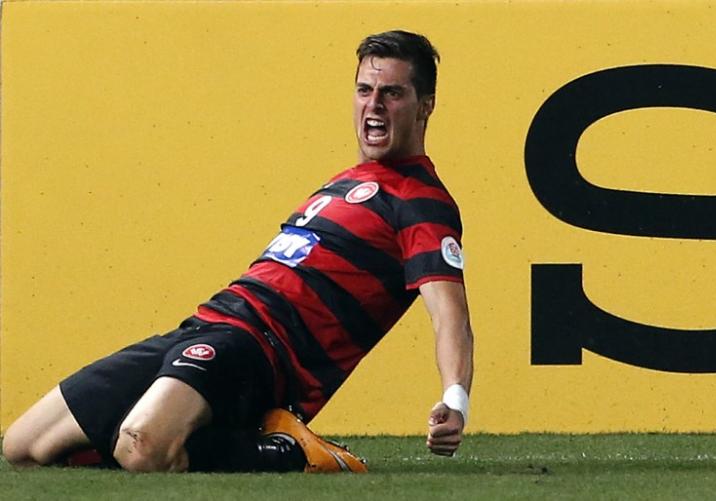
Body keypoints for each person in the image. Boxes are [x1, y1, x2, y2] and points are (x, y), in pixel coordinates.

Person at [2, 30, 474, 473]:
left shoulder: (421, 203)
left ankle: (291, 450)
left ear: (425, 106)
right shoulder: (342, 184)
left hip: (263, 351)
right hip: (207, 325)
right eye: (364, 90)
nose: (374, 105)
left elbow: (450, 316)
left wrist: (455, 399)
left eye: (392, 93)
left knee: (143, 447)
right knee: (23, 447)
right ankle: (180, 430)